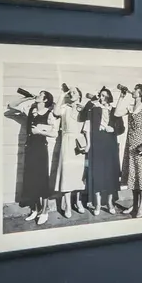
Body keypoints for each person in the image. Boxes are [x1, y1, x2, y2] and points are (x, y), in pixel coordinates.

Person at [6, 89, 56, 226]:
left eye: (41, 95)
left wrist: (39, 131)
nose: (38, 96)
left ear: (45, 100)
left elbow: (54, 133)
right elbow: (11, 105)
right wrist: (26, 97)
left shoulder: (49, 114)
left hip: (41, 149)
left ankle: (45, 211)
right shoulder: (29, 108)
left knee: (42, 179)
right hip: (29, 148)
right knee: (31, 179)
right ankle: (35, 209)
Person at [84, 86, 121, 215]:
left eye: (105, 95)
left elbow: (121, 128)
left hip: (110, 143)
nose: (102, 97)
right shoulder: (94, 109)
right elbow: (82, 115)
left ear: (109, 97)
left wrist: (113, 130)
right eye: (101, 95)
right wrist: (92, 100)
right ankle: (98, 204)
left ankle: (110, 203)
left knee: (111, 174)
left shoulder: (115, 110)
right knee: (97, 173)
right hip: (97, 143)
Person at [51, 83, 83, 218]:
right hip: (66, 140)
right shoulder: (64, 107)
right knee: (67, 173)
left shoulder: (84, 108)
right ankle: (68, 206)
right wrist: (62, 95)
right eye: (70, 92)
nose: (72, 94)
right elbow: (56, 112)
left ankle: (78, 202)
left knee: (80, 173)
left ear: (80, 95)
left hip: (80, 141)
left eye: (74, 92)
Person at [122, 83, 142, 217]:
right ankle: (134, 205)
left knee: (140, 177)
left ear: (140, 94)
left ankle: (141, 207)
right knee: (133, 176)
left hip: (140, 144)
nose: (133, 91)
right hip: (130, 145)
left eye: (135, 90)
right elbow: (117, 112)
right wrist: (121, 96)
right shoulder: (130, 108)